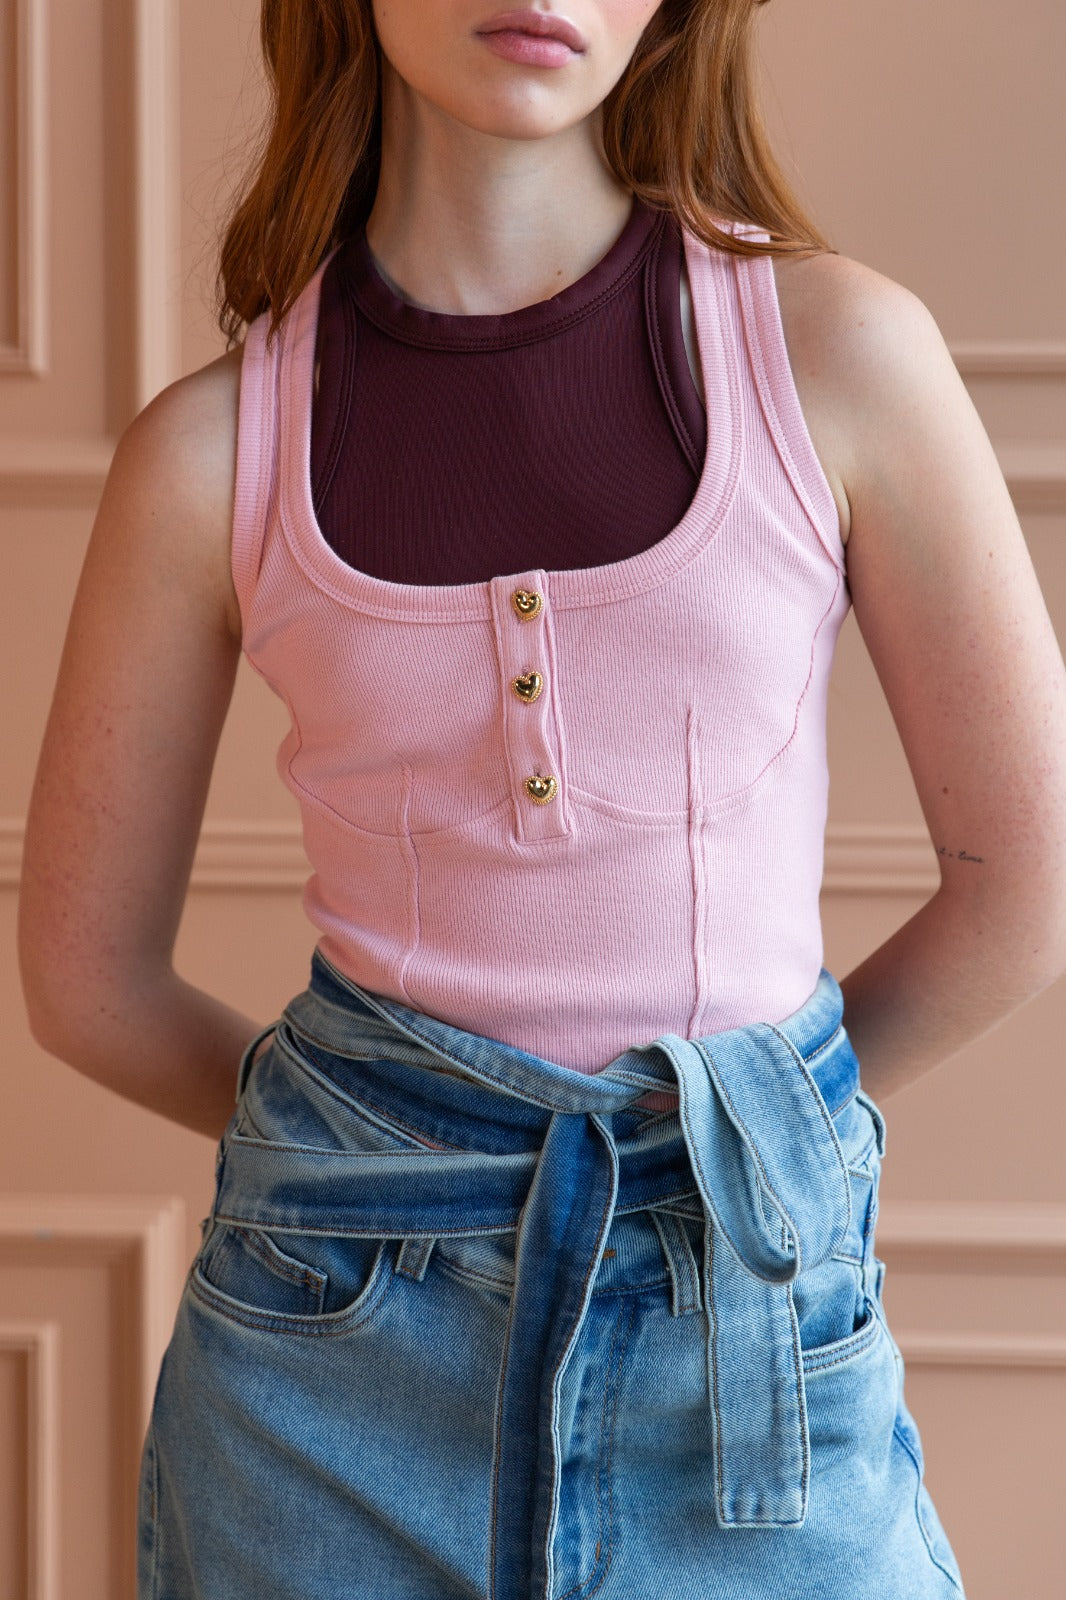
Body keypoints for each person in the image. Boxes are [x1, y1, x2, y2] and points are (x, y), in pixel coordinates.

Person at [17, 2, 1066, 1595]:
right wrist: (373, 1159)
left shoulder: (841, 358)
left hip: (750, 1350)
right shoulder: (209, 452)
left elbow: (1025, 888)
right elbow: (85, 981)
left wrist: (753, 1138)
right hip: (319, 1396)